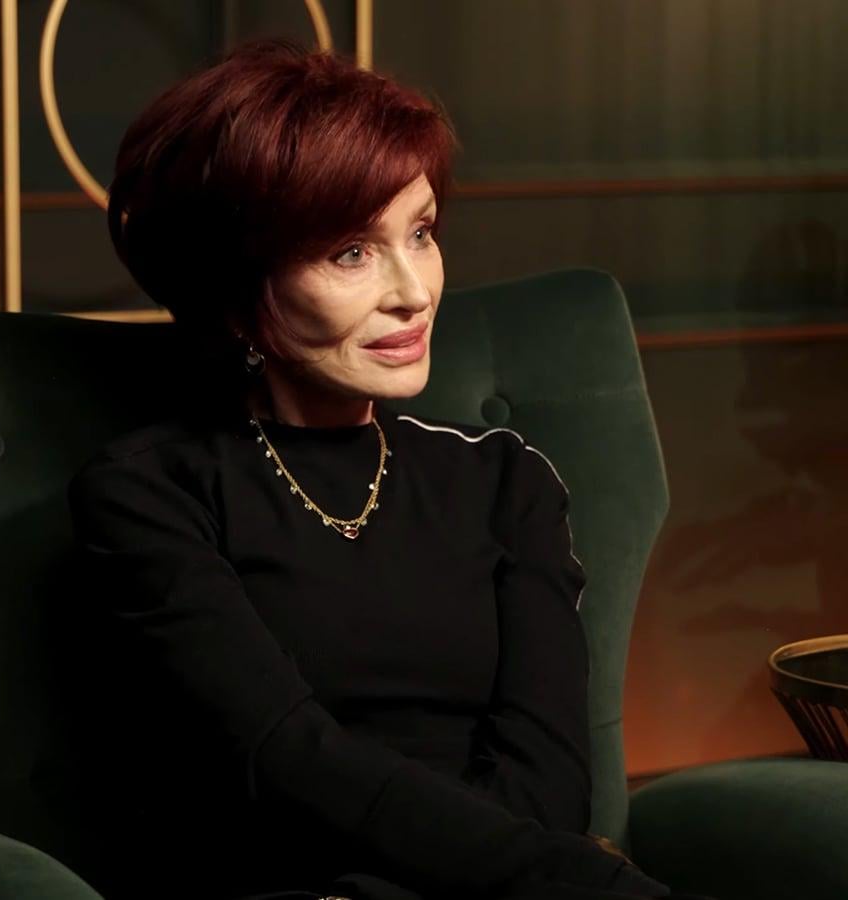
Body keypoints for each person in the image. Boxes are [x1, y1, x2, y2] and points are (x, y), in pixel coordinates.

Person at [66, 38, 717, 900]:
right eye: (352, 252)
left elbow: (553, 782)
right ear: (235, 292)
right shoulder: (150, 494)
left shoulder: (505, 481)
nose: (414, 292)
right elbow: (285, 763)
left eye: (421, 233)